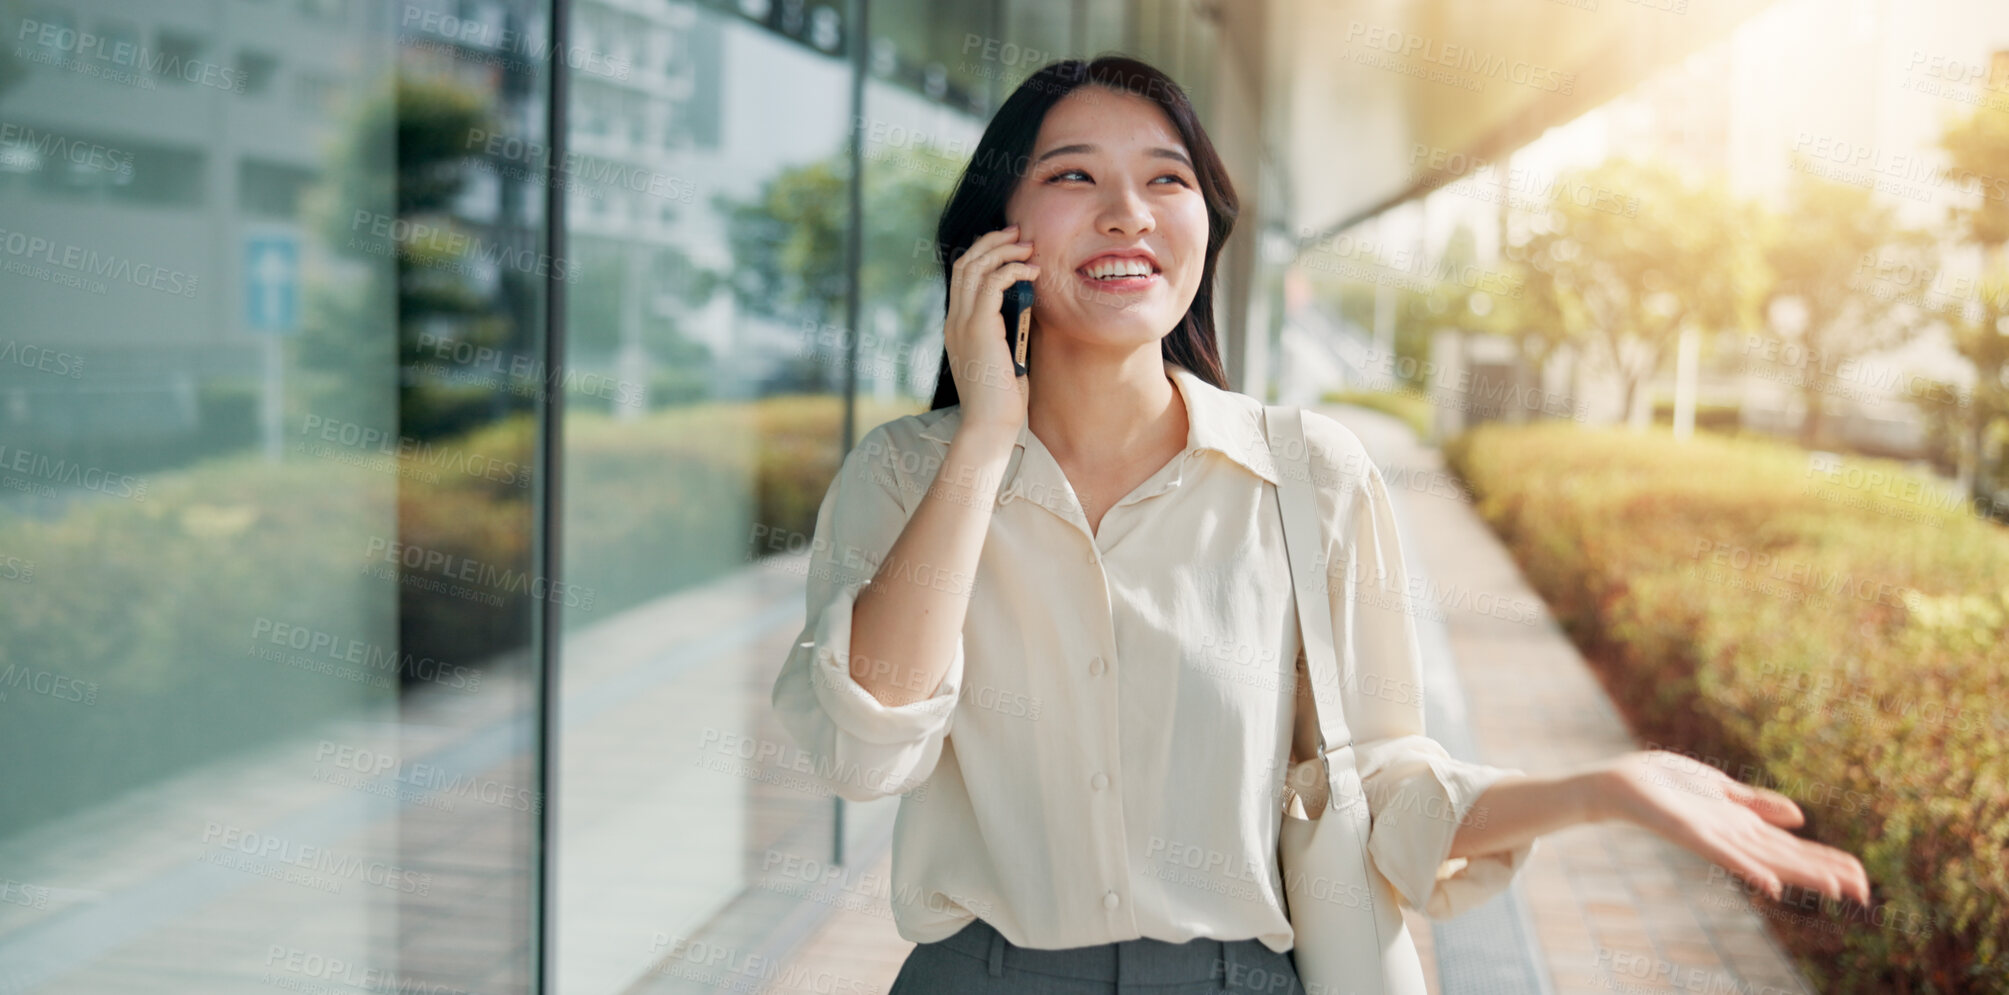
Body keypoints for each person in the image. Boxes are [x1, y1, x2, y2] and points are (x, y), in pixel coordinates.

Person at [770, 54, 1870, 995]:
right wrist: (981, 438)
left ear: (1205, 225)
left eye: (1167, 179)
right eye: (1073, 177)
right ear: (995, 237)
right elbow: (863, 747)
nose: (1128, 212)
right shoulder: (908, 474)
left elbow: (1378, 783)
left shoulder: (1307, 474)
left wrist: (1597, 788)